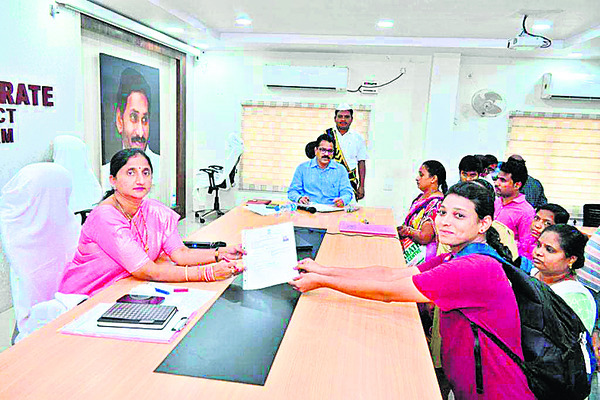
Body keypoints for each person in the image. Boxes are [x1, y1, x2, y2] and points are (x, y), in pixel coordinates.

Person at [290, 181, 536, 399]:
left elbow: (387, 291)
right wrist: (323, 270)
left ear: (484, 224)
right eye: (442, 212)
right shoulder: (457, 256)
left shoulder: (474, 268)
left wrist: (323, 283)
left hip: (497, 391)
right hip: (474, 384)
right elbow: (389, 274)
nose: (445, 221)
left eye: (459, 216)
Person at [60, 149, 244, 296]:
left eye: (145, 172)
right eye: (131, 172)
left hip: (127, 288)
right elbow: (148, 271)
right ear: (113, 181)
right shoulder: (105, 217)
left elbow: (180, 254)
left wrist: (221, 253)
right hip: (88, 297)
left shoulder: (154, 210)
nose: (140, 180)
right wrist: (208, 273)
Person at [101, 68, 160, 196]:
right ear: (119, 120)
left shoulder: (164, 169)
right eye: (133, 117)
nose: (140, 133)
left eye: (144, 119)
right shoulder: (104, 175)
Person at [530, 224, 596, 334]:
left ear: (571, 259)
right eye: (538, 245)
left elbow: (571, 340)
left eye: (549, 250)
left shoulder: (575, 298)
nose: (538, 252)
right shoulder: (531, 273)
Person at [304, 104, 367, 200]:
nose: (343, 119)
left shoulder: (358, 138)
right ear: (335, 119)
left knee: (347, 208)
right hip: (328, 182)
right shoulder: (327, 135)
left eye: (346, 117)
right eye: (340, 116)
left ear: (351, 119)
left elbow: (361, 162)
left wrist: (361, 186)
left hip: (349, 183)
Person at [397, 160, 447, 266]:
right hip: (408, 247)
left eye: (421, 175)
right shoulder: (420, 198)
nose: (417, 178)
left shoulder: (436, 203)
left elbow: (425, 236)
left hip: (421, 256)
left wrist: (408, 231)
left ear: (433, 178)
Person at [288, 133, 354, 207]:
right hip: (309, 209)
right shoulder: (302, 168)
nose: (326, 154)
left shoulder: (340, 170)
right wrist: (299, 198)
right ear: (316, 150)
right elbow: (292, 191)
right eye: (323, 150)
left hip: (332, 209)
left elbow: (347, 193)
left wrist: (342, 200)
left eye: (330, 151)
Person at [494, 159, 535, 257]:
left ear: (517, 185)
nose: (496, 183)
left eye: (503, 180)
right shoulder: (496, 202)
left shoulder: (526, 212)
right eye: (497, 179)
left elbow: (526, 248)